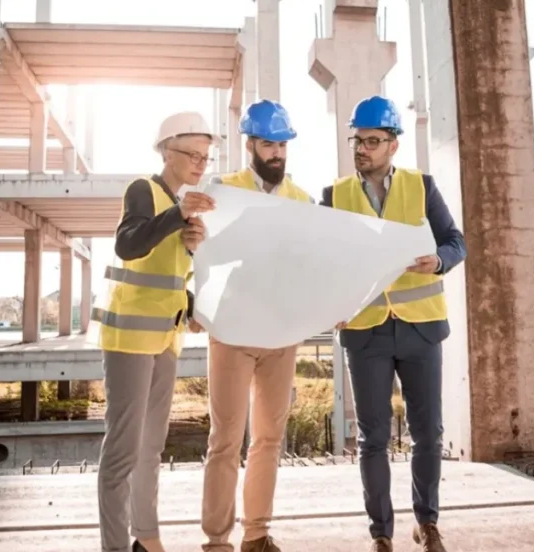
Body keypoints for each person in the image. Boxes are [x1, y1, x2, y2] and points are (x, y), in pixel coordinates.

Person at [320, 96, 467, 552]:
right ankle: (381, 533)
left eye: (372, 140)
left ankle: (427, 522)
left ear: (393, 145)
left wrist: (438, 261)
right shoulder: (334, 195)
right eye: (357, 140)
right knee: (373, 438)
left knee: (428, 433)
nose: (361, 148)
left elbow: (456, 241)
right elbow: (320, 261)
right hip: (366, 333)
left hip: (421, 328)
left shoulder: (422, 187)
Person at [91, 111, 218, 552]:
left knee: (151, 448)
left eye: (206, 156)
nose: (201, 163)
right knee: (123, 450)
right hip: (129, 338)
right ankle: (114, 546)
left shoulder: (182, 206)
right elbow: (128, 245)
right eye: (192, 154)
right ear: (167, 150)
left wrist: (189, 247)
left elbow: (170, 277)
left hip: (165, 338)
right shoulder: (144, 190)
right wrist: (177, 218)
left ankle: (146, 538)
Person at [199, 99, 311, 552]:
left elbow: (314, 264)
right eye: (269, 144)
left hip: (282, 335)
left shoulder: (302, 200)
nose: (277, 154)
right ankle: (216, 539)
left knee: (268, 439)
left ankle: (257, 533)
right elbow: (200, 252)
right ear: (250, 146)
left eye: (283, 145)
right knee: (225, 438)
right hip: (232, 332)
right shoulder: (222, 190)